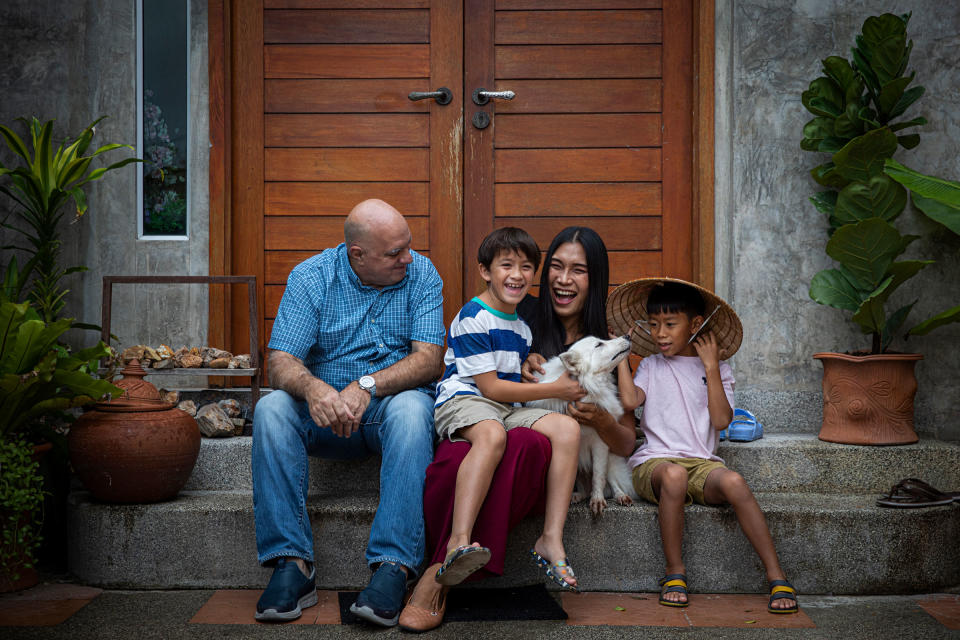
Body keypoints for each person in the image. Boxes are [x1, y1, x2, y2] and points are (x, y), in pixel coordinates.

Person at [398, 227, 636, 632]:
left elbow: (626, 437)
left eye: (577, 270)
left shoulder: (606, 343)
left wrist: (600, 418)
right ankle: (445, 560)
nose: (563, 278)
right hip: (483, 415)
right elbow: (489, 384)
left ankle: (541, 541)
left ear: (594, 279)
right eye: (556, 267)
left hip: (525, 440)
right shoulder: (518, 313)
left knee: (533, 441)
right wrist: (537, 377)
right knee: (470, 450)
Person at [251, 199, 445, 627]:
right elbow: (280, 361)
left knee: (416, 409)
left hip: (385, 413)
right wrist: (314, 388)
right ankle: (292, 564)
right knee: (271, 409)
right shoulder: (311, 277)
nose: (407, 259)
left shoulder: (422, 274)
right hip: (321, 416)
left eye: (407, 247)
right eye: (394, 253)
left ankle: (394, 567)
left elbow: (430, 359)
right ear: (357, 254)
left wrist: (367, 385)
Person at [611, 278, 798, 614]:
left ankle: (776, 575)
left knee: (735, 481)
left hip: (703, 464)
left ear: (695, 325)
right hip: (655, 463)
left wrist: (711, 367)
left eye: (670, 324)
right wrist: (623, 356)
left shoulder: (718, 369)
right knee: (674, 477)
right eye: (654, 325)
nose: (660, 334)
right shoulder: (652, 365)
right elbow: (628, 400)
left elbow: (722, 420)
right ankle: (674, 573)